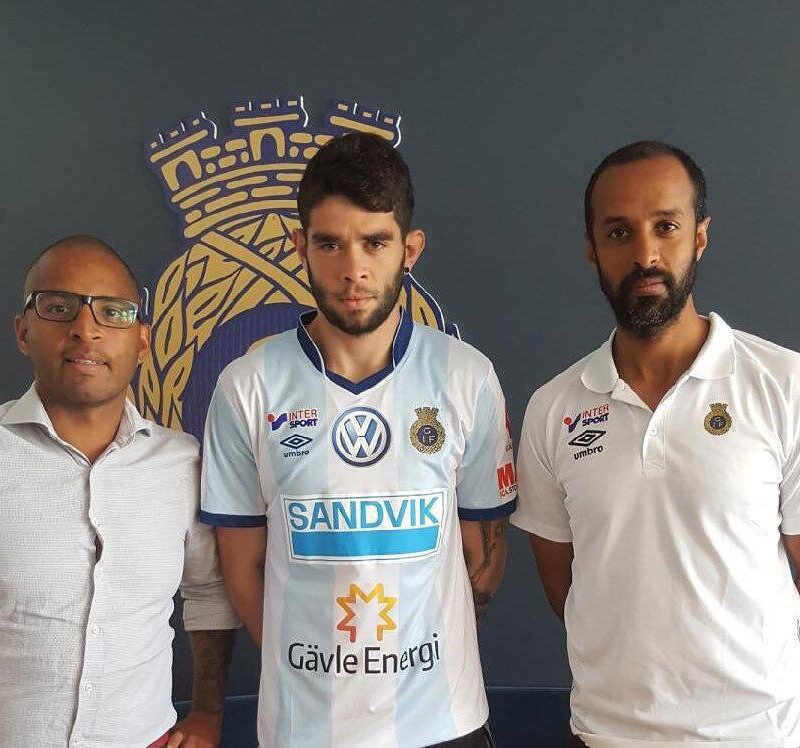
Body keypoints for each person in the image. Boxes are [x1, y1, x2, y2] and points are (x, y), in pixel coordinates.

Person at [201, 132, 514, 747]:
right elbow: (243, 568)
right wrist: (321, 673)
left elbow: (483, 556)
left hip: (444, 723)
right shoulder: (248, 385)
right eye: (330, 244)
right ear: (300, 247)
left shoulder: (467, 376)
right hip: (304, 728)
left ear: (410, 249)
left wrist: (416, 659)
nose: (354, 270)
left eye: (375, 242)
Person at [512, 141, 800, 746]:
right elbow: (567, 588)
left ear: (700, 236)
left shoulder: (785, 385)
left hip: (757, 735)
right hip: (605, 735)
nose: (645, 254)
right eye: (619, 232)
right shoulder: (553, 409)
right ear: (591, 248)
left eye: (665, 226)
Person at [0, 235, 238, 747]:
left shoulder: (181, 462)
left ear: (141, 341)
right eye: (59, 308)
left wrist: (208, 712)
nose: (85, 329)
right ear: (23, 331)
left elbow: (209, 591)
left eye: (112, 312)